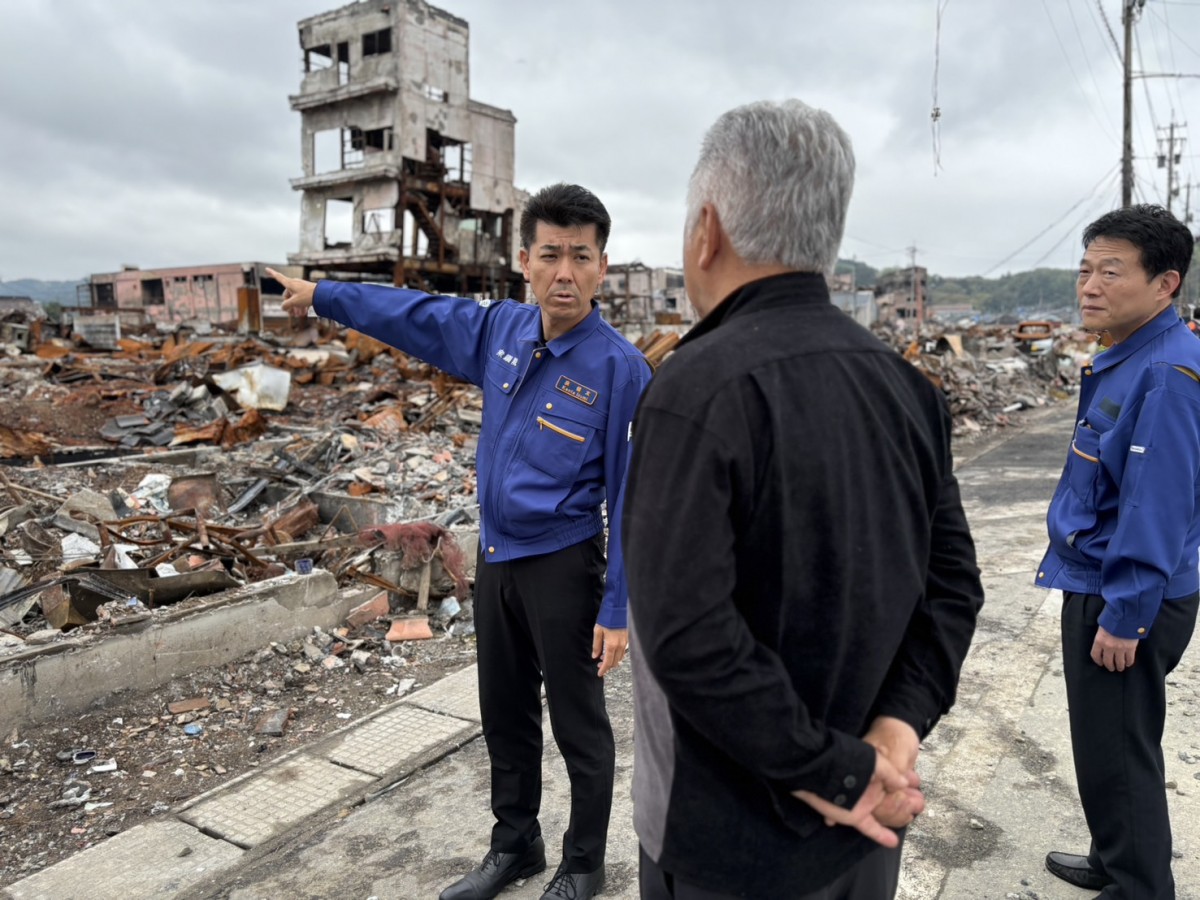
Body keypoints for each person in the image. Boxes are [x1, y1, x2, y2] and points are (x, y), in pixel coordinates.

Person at [622, 99, 984, 899]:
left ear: (705, 230)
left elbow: (687, 636)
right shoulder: (904, 387)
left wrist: (834, 771)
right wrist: (895, 729)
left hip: (730, 843)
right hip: (867, 831)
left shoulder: (694, 391)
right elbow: (952, 585)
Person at [268, 183, 651, 900]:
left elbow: (634, 499)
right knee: (504, 716)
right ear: (524, 261)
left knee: (579, 728)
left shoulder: (621, 371)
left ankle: (584, 863)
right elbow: (415, 314)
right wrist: (323, 296)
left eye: (580, 257)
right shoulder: (501, 331)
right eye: (549, 255)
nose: (563, 272)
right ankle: (516, 847)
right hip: (497, 558)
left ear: (603, 267)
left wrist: (617, 607)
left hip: (566, 565)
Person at [1036, 204, 1200, 899]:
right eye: (1085, 269)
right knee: (1102, 746)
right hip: (1102, 578)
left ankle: (1138, 887)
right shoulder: (1129, 355)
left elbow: (1154, 503)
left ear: (1165, 284)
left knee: (1121, 751)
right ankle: (1115, 857)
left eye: (1111, 271)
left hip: (1125, 591)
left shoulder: (1166, 373)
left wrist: (1125, 613)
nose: (1089, 286)